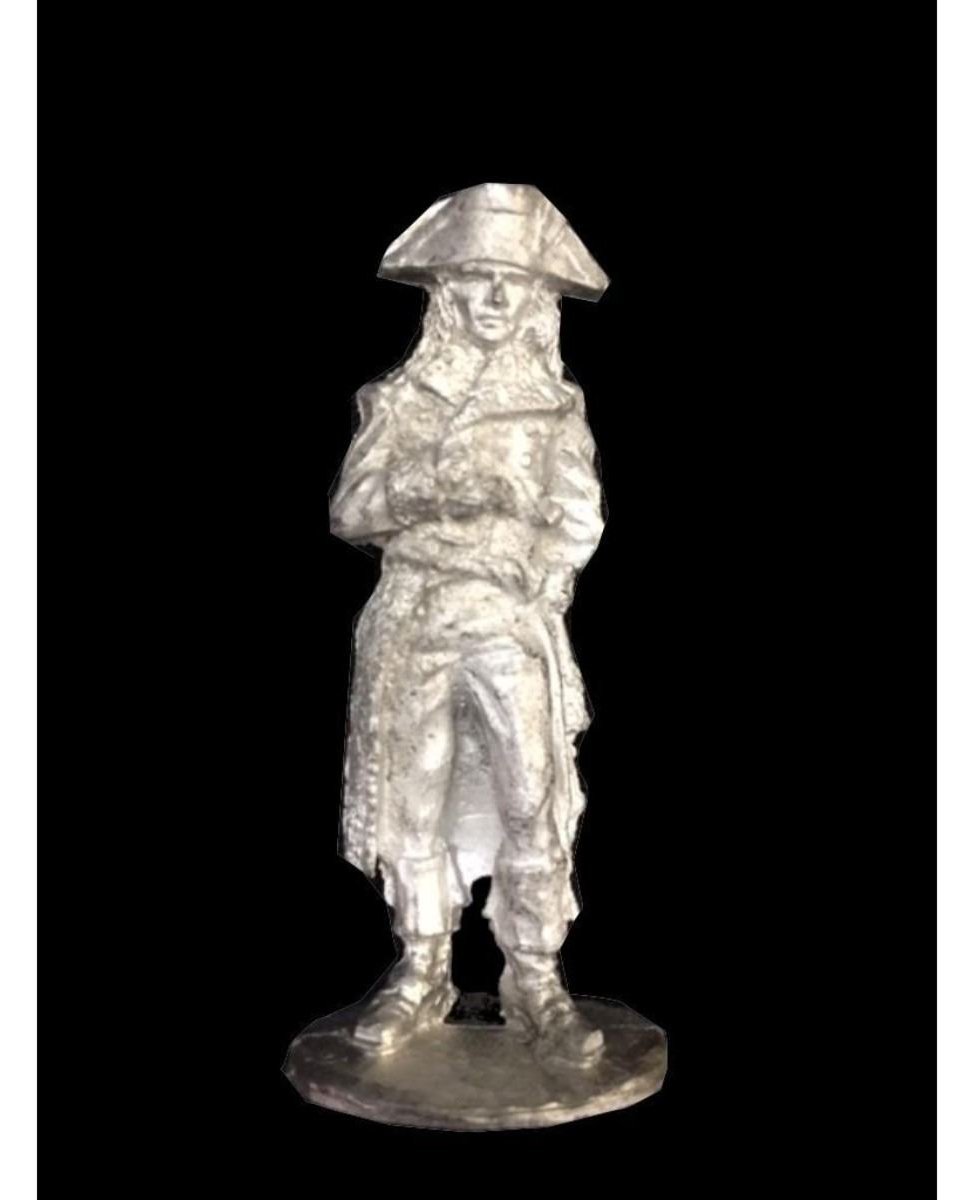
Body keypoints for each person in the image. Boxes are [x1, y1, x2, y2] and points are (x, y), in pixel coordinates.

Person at [329, 184, 609, 1069]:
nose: (493, 296)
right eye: (476, 277)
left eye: (511, 281)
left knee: (530, 794)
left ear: (533, 298)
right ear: (446, 291)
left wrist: (537, 578)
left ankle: (536, 977)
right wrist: (438, 490)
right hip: (416, 621)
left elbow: (578, 521)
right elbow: (351, 510)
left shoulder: (552, 408)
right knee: (414, 793)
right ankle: (421, 969)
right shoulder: (403, 399)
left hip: (505, 627)